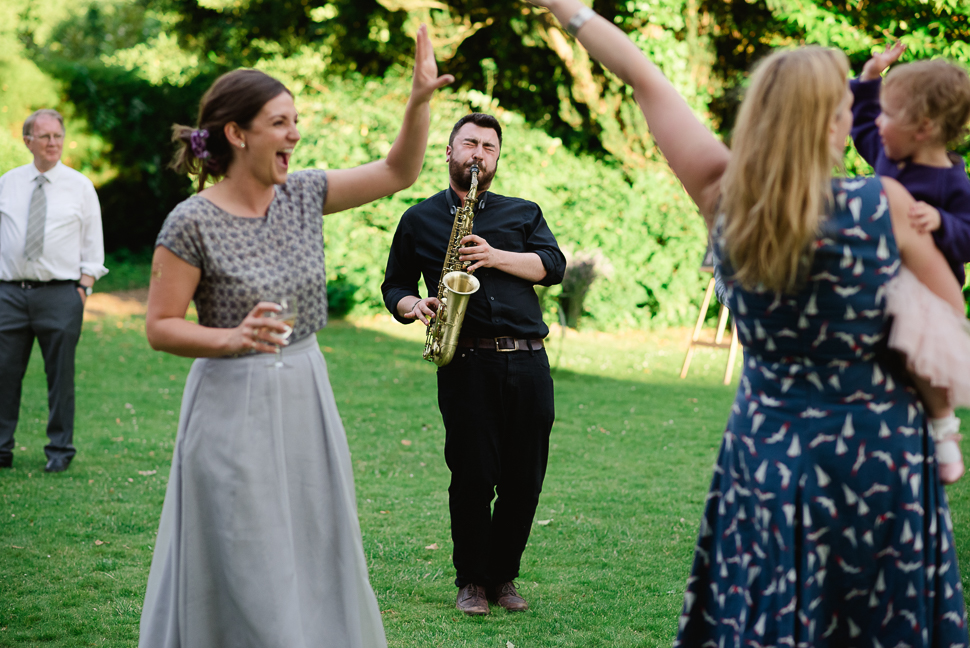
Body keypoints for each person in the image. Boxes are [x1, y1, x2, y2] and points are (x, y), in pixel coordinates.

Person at [527, 1, 968, 645]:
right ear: (837, 121)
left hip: (769, 450)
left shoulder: (723, 192)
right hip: (880, 451)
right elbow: (947, 317)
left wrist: (570, 11)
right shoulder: (886, 203)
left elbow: (645, 79)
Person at [138, 26, 452, 648]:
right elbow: (159, 326)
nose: (295, 134)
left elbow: (398, 171)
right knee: (242, 553)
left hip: (306, 392)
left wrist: (417, 105)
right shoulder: (192, 220)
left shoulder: (305, 192)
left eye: (295, 121)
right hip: (229, 401)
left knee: (312, 543)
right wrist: (230, 340)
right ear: (238, 134)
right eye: (281, 123)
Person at [381, 112, 566, 615]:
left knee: (523, 479)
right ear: (450, 152)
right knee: (472, 477)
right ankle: (472, 583)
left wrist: (496, 255)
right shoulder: (418, 218)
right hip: (465, 363)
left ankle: (504, 578)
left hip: (528, 363)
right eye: (470, 144)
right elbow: (394, 285)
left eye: (489, 146)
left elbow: (553, 267)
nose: (479, 154)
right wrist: (411, 306)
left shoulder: (523, 212)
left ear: (497, 158)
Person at [850, 44, 970, 482]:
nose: (877, 123)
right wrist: (868, 78)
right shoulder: (887, 154)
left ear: (923, 127)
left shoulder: (953, 183)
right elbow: (863, 124)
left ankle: (943, 430)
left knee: (922, 365)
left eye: (888, 114)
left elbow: (969, 238)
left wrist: (943, 222)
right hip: (873, 285)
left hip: (923, 299)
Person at [0, 108, 107, 473]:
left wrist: (83, 289)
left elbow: (93, 246)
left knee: (60, 375)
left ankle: (59, 450)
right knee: (3, 372)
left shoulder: (80, 186)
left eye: (57, 136)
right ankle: (1, 448)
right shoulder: (8, 182)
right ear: (28, 140)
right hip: (9, 295)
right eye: (44, 136)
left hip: (62, 295)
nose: (52, 142)